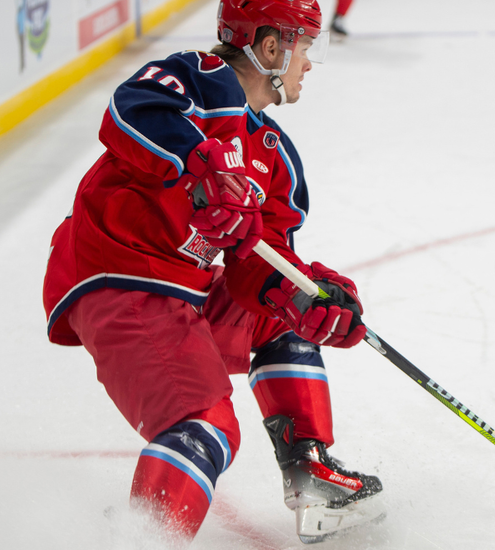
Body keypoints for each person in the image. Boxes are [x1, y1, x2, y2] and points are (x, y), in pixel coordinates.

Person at [41, 0, 383, 544]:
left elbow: (256, 265)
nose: (309, 64)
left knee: (285, 319)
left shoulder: (275, 156)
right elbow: (129, 112)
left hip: (183, 292)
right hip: (121, 272)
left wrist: (304, 296)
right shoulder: (199, 80)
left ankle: (311, 473)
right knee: (204, 424)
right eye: (305, 48)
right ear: (271, 47)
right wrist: (198, 166)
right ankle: (142, 539)